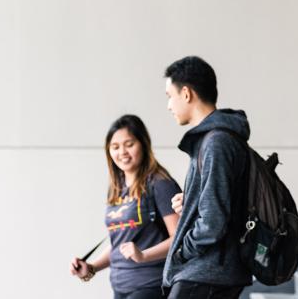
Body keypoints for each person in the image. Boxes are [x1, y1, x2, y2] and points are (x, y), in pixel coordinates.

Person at [161, 56, 252, 299]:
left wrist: (181, 250)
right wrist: (191, 201)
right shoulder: (213, 140)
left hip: (206, 273)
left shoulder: (216, 142)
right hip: (210, 272)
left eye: (170, 95)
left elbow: (213, 221)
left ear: (187, 94)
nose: (169, 105)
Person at [70, 114, 181, 299]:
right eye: (115, 147)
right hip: (120, 287)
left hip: (152, 286)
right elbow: (119, 243)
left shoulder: (160, 184)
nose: (122, 152)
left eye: (129, 144)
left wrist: (143, 255)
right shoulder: (118, 187)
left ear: (143, 144)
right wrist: (91, 268)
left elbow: (180, 238)